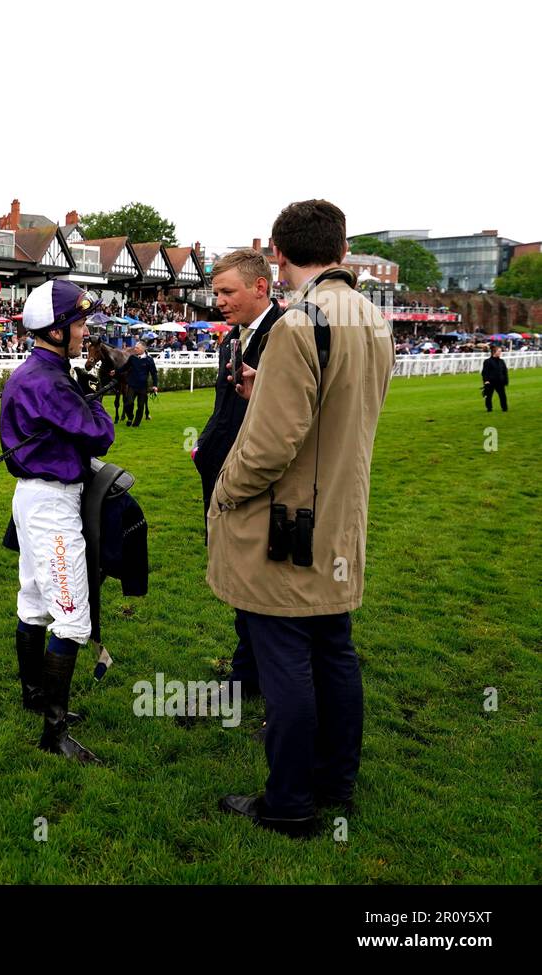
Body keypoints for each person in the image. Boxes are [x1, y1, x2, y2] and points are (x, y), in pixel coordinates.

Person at [209, 200, 395, 836]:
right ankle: (335, 780)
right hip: (343, 510)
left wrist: (227, 491)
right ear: (340, 249)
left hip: (289, 521)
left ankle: (289, 802)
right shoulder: (371, 316)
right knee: (334, 651)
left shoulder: (299, 321)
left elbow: (271, 447)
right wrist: (271, 389)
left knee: (285, 654)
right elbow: (341, 411)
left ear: (279, 255)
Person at [0, 280, 113, 763]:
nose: (86, 332)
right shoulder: (49, 381)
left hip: (33, 498)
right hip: (52, 504)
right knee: (72, 619)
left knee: (32, 601)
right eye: (80, 324)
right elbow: (100, 436)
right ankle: (53, 732)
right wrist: (94, 398)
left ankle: (35, 696)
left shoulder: (39, 372)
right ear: (56, 329)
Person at [192, 248, 284, 703]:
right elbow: (224, 409)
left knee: (258, 579)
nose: (220, 300)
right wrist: (204, 448)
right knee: (236, 575)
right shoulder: (232, 339)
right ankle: (250, 669)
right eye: (216, 292)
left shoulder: (285, 335)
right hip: (220, 471)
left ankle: (255, 674)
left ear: (260, 287)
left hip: (257, 479)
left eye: (228, 291)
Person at [123, 342, 157, 426]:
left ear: (143, 349)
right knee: (128, 403)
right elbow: (125, 367)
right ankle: (130, 417)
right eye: (135, 348)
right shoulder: (132, 358)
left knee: (141, 406)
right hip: (132, 385)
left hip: (143, 387)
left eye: (137, 348)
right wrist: (115, 371)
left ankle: (136, 423)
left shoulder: (149, 360)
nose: (135, 349)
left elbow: (154, 373)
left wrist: (155, 385)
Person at [481, 345, 508, 412]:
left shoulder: (502, 361)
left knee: (503, 396)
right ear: (494, 352)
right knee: (489, 396)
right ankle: (489, 408)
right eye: (499, 351)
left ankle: (504, 408)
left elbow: (505, 371)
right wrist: (486, 381)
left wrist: (506, 380)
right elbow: (484, 372)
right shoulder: (487, 361)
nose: (500, 353)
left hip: (500, 382)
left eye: (500, 351)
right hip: (491, 382)